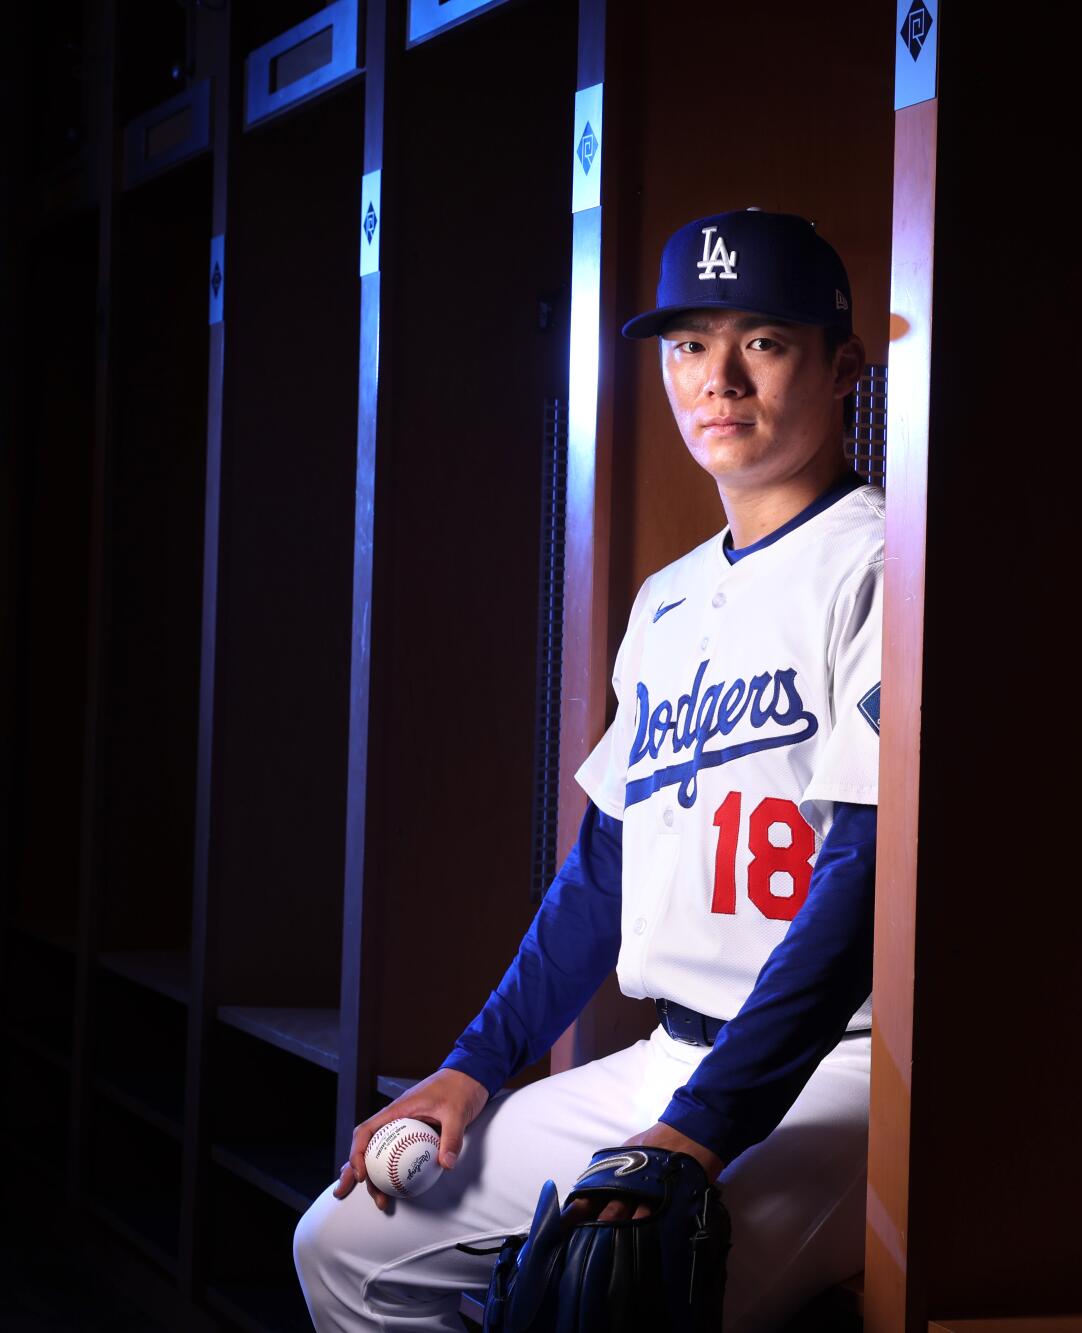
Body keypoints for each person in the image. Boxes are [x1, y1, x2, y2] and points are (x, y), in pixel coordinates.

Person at [293, 208, 884, 1332]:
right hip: (669, 1051)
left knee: (612, 1302)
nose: (718, 379)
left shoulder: (881, 565)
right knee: (346, 1246)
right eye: (687, 346)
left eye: (761, 341)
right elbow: (602, 871)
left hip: (840, 1075)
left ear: (842, 365)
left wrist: (699, 1131)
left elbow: (859, 888)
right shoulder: (663, 598)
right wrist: (474, 1066)